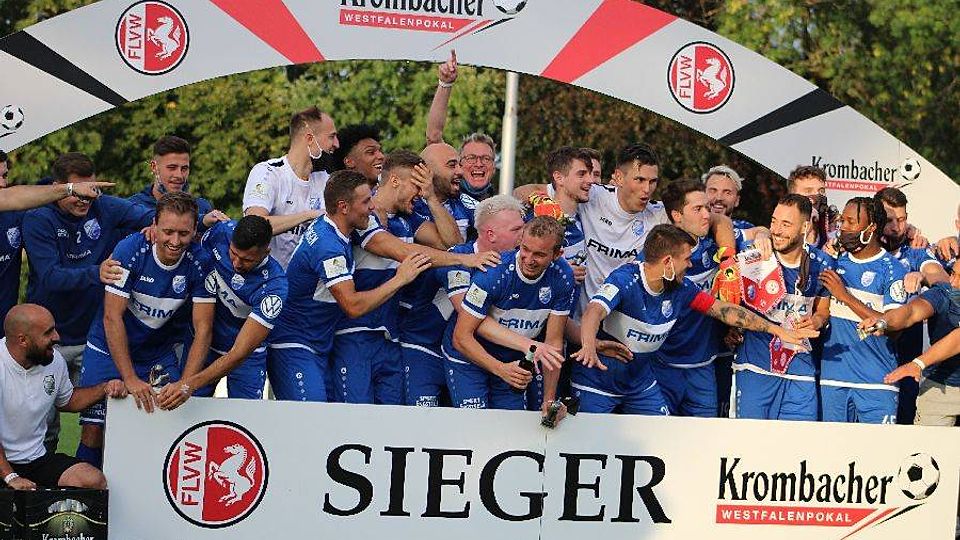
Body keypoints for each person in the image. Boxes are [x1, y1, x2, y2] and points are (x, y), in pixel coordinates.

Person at [571, 224, 817, 415]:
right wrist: (589, 345)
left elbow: (724, 310)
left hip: (639, 385)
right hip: (598, 381)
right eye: (687, 259)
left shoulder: (681, 288)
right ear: (668, 262)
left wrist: (778, 330)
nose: (690, 265)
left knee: (662, 441)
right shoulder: (625, 279)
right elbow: (594, 311)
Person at [22, 153, 152, 452]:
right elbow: (51, 277)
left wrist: (156, 225)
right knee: (43, 427)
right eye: (77, 193)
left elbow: (153, 215)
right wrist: (97, 273)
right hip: (50, 339)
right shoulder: (38, 218)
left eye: (91, 191)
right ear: (57, 188)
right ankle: (37, 479)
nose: (85, 200)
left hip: (95, 337)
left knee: (102, 421)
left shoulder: (105, 206)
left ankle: (101, 478)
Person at [265, 170, 431, 402]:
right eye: (365, 201)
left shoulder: (338, 229)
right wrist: (400, 279)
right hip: (294, 344)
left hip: (319, 344)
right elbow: (352, 306)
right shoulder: (328, 246)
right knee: (311, 418)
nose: (372, 206)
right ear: (343, 207)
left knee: (334, 420)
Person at [77, 192, 215, 468]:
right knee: (95, 429)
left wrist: (186, 384)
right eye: (168, 231)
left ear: (194, 231)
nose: (175, 241)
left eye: (183, 233)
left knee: (169, 423)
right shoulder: (130, 250)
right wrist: (129, 378)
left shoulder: (201, 262)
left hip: (156, 353)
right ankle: (84, 490)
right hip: (107, 348)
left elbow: (203, 328)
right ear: (154, 225)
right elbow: (111, 317)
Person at [329, 151, 466, 405]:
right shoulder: (363, 216)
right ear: (394, 180)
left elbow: (452, 244)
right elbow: (405, 252)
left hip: (390, 337)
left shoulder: (408, 218)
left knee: (392, 421)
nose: (420, 193)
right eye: (417, 186)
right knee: (356, 420)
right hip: (355, 334)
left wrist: (431, 197)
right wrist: (467, 260)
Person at [398, 195, 526, 407]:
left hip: (465, 350)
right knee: (423, 418)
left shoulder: (515, 263)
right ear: (491, 234)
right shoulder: (457, 258)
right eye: (516, 230)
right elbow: (470, 317)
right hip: (425, 347)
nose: (523, 235)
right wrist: (529, 345)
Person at [154, 215, 286, 409]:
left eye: (247, 259)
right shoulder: (221, 232)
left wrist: (190, 384)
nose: (236, 264)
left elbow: (239, 353)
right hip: (202, 342)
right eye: (233, 253)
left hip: (244, 357)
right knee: (185, 408)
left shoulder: (275, 287)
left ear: (266, 251)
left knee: (246, 417)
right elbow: (186, 241)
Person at [447, 217, 574, 411]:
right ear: (520, 242)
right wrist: (500, 369)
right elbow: (461, 337)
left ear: (557, 254)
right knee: (475, 422)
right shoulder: (493, 274)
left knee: (510, 425)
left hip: (512, 360)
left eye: (539, 254)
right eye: (525, 249)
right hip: (469, 356)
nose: (529, 260)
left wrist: (549, 401)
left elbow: (553, 344)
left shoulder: (563, 276)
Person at [0, 305, 125, 490]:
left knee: (92, 480)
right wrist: (10, 477)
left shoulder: (54, 360)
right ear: (23, 340)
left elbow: (68, 401)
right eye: (48, 332)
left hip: (35, 460)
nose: (57, 337)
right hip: (3, 465)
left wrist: (105, 388)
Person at [653, 179, 749, 417]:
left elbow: (755, 231)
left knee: (704, 436)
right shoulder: (656, 255)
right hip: (663, 366)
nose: (707, 214)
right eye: (698, 209)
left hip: (704, 367)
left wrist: (759, 241)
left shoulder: (714, 243)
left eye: (707, 207)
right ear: (677, 216)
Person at [731, 195, 832, 420]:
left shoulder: (822, 263)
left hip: (800, 369)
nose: (776, 230)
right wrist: (761, 233)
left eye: (786, 224)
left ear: (805, 227)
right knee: (750, 438)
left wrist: (815, 321)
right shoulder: (753, 256)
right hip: (755, 367)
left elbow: (823, 310)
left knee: (798, 438)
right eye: (773, 221)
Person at [819, 197, 909, 424]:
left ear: (871, 228)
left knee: (878, 448)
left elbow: (895, 329)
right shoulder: (833, 264)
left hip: (877, 381)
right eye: (842, 221)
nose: (843, 227)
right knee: (833, 446)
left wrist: (845, 296)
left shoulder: (892, 269)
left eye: (851, 222)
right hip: (834, 379)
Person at [873, 187, 948, 424]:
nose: (897, 226)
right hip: (863, 363)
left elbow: (942, 280)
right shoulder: (857, 251)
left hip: (905, 363)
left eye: (902, 219)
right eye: (890, 220)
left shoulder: (915, 252)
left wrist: (922, 276)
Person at [242, 106, 338, 268]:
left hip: (309, 281)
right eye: (332, 137)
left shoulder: (325, 179)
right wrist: (309, 215)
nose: (336, 144)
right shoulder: (268, 172)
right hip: (269, 279)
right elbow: (253, 226)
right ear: (310, 139)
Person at [867, 270, 960, 426]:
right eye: (953, 273)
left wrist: (918, 363)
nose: (953, 282)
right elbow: (911, 312)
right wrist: (884, 322)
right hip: (940, 386)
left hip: (928, 369)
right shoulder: (943, 293)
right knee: (927, 442)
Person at [424, 50, 498, 201]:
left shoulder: (498, 205)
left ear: (494, 168)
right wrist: (445, 83)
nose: (479, 164)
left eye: (486, 159)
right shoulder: (448, 192)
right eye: (471, 158)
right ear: (459, 164)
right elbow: (434, 136)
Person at [127, 136, 228, 232]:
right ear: (154, 167)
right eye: (172, 168)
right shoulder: (131, 208)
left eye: (184, 168)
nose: (179, 175)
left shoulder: (202, 207)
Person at [419, 142, 477, 242]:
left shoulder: (470, 206)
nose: (461, 171)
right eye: (452, 165)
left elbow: (457, 246)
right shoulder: (409, 205)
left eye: (460, 165)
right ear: (426, 171)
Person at [702, 164, 752, 229]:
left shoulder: (747, 230)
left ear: (737, 200)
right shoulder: (691, 228)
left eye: (727, 193)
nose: (719, 198)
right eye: (713, 191)